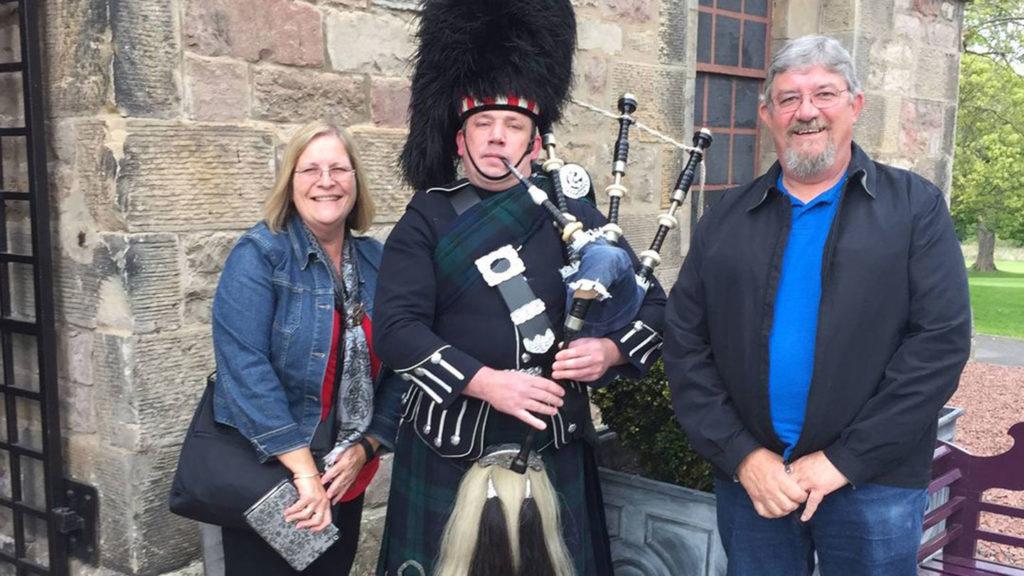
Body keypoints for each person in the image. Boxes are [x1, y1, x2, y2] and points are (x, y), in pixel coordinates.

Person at [365, 1, 666, 574]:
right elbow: (398, 333)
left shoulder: (575, 215)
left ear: (534, 142)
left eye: (513, 126)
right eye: (482, 123)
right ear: (460, 140)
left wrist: (609, 350)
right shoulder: (426, 219)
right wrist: (486, 383)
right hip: (450, 447)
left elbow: (656, 308)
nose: (496, 138)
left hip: (554, 449)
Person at [662, 35, 972, 576]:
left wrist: (842, 462)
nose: (807, 112)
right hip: (758, 484)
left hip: (874, 484)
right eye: (788, 98)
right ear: (767, 114)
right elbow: (686, 346)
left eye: (824, 94)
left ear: (855, 105)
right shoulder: (726, 219)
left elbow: (940, 344)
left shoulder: (914, 208)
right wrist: (741, 456)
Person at [210, 120, 384, 576]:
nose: (325, 182)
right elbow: (244, 368)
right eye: (309, 170)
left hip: (344, 471)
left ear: (355, 182)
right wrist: (304, 472)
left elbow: (404, 361)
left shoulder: (376, 260)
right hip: (272, 469)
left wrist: (365, 447)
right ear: (290, 183)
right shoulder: (260, 254)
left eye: (339, 169)